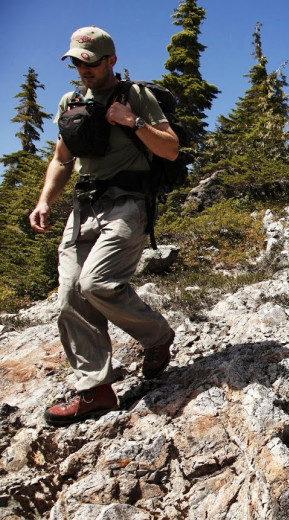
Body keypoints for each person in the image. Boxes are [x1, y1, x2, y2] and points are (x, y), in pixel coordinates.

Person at [28, 26, 179, 427]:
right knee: (68, 299)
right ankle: (94, 390)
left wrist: (132, 123)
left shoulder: (134, 96)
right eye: (76, 61)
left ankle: (157, 336)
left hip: (128, 204)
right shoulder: (71, 102)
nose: (82, 68)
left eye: (89, 61)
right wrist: (45, 200)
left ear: (110, 60)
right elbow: (62, 160)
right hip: (83, 208)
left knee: (96, 284)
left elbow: (170, 147)